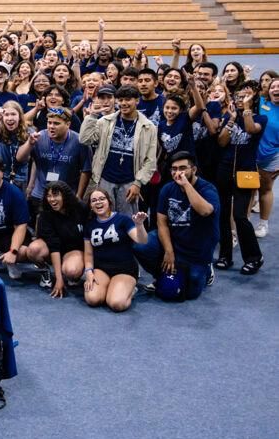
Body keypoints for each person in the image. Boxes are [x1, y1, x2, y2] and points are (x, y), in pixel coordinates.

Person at [133, 152, 219, 298]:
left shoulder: (207, 189)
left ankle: (206, 268)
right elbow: (162, 222)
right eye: (174, 169)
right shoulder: (167, 189)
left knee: (191, 292)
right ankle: (162, 276)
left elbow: (205, 211)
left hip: (197, 251)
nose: (178, 173)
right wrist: (169, 251)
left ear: (194, 170)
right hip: (174, 242)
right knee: (141, 245)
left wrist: (186, 185)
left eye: (183, 168)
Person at [79, 85, 157, 215]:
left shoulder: (149, 127)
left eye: (128, 99)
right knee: (104, 217)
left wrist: (138, 183)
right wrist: (92, 116)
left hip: (130, 181)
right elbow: (85, 139)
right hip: (105, 179)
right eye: (120, 100)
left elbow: (150, 160)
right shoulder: (104, 121)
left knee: (127, 221)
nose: (123, 103)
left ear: (137, 101)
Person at [214, 83, 265, 275]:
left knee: (240, 216)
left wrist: (246, 111)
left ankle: (254, 257)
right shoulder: (229, 117)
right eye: (238, 96)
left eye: (246, 96)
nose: (241, 99)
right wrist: (232, 119)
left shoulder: (260, 118)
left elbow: (252, 130)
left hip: (246, 172)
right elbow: (222, 141)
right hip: (225, 170)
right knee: (222, 214)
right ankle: (225, 255)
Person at [83, 188, 148, 312]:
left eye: (102, 199)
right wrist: (89, 273)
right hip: (101, 269)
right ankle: (110, 287)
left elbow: (142, 240)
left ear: (109, 202)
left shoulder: (123, 219)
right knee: (92, 299)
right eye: (94, 200)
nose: (98, 202)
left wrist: (139, 225)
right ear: (90, 206)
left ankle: (130, 289)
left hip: (124, 269)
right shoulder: (90, 225)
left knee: (116, 303)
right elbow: (88, 254)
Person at [26, 181, 86, 298]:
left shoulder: (80, 208)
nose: (52, 199)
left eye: (55, 195)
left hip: (74, 250)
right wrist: (58, 279)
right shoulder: (45, 215)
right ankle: (45, 271)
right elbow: (54, 246)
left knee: (72, 272)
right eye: (48, 196)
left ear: (65, 195)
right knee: (33, 249)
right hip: (53, 250)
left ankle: (71, 273)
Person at [255, 78, 279, 238]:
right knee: (248, 189)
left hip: (272, 156)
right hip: (251, 152)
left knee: (265, 188)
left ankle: (263, 224)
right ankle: (243, 221)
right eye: (273, 86)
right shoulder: (261, 101)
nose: (276, 89)